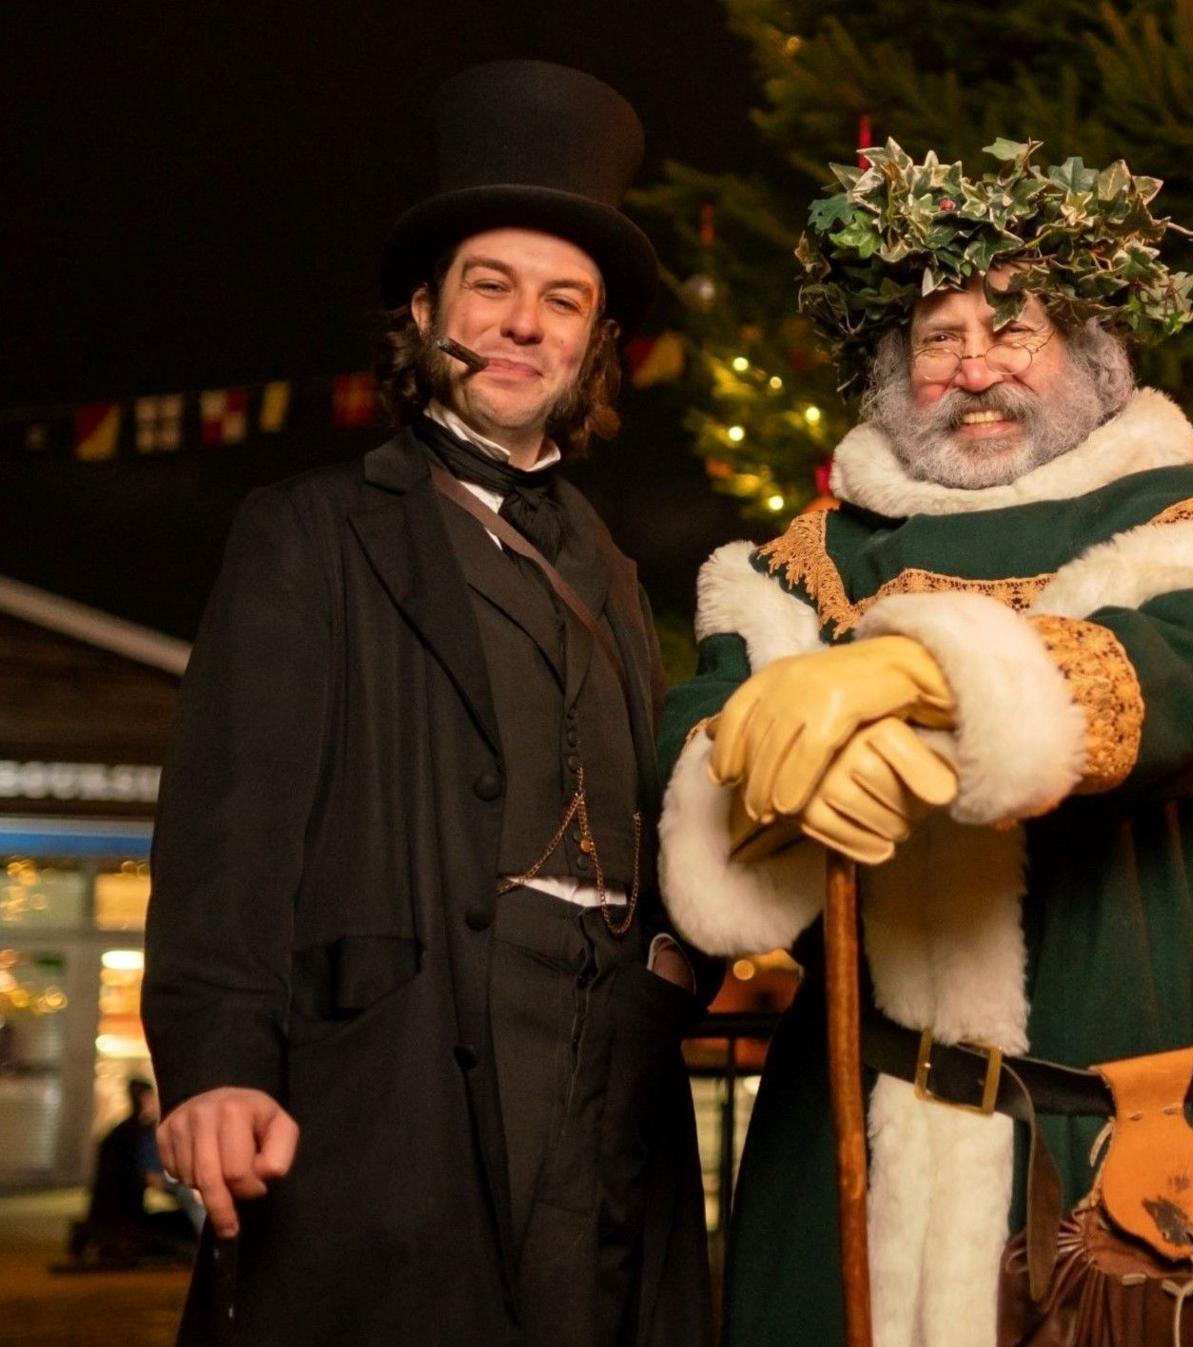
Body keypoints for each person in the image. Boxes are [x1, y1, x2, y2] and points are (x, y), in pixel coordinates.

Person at [657, 140, 1193, 1346]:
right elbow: (693, 736)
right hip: (856, 1135)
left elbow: (1187, 684)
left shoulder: (1179, 521)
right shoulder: (805, 561)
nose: (974, 369)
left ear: (1087, 357)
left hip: (1126, 1163)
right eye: (937, 340)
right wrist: (765, 784)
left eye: (1011, 332)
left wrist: (913, 675)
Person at [142, 61, 719, 1346]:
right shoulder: (311, 533)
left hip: (604, 1100)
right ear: (425, 310)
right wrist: (219, 1059)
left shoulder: (617, 574)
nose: (524, 324)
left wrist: (673, 976)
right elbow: (230, 827)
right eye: (490, 287)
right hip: (390, 1093)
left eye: (561, 301)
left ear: (594, 342)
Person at [73, 1080, 197, 1263]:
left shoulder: (123, 1131)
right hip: (123, 1215)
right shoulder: (135, 1133)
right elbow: (148, 1175)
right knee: (180, 1225)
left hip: (114, 1211)